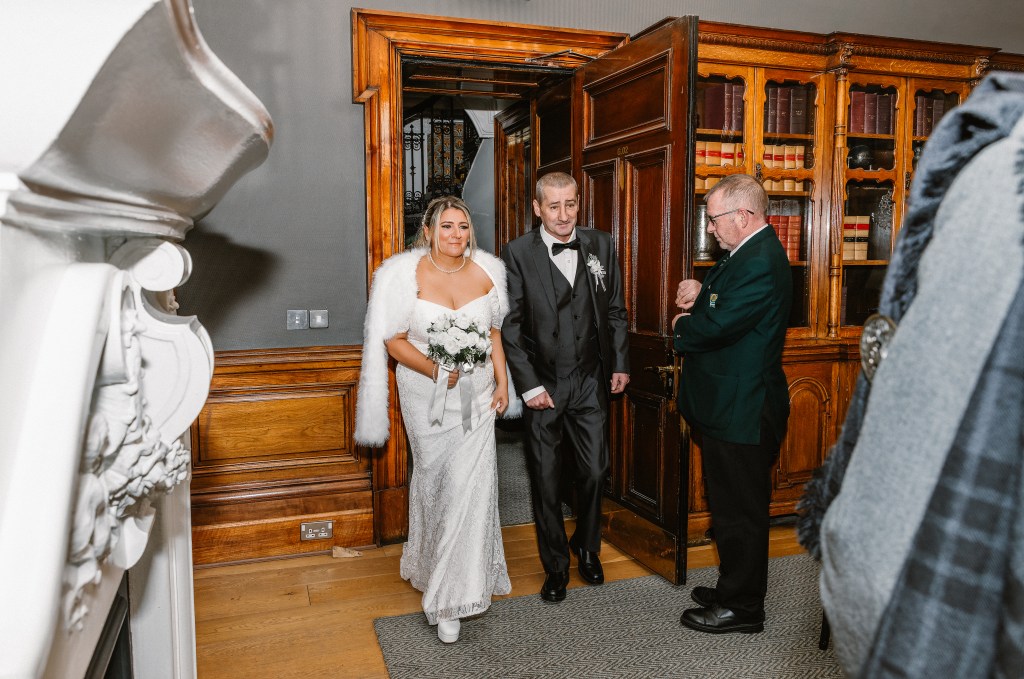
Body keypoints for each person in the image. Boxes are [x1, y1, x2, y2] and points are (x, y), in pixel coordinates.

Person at [354, 195, 518, 644]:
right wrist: (436, 370)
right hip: (425, 394)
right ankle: (431, 563)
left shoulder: (488, 271)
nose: (456, 234)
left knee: (471, 487)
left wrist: (503, 383)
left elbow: (493, 334)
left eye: (463, 226)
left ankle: (451, 598)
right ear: (427, 231)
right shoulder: (401, 275)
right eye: (446, 226)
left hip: (478, 395)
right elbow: (394, 340)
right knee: (436, 482)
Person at [501, 172, 630, 603]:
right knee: (546, 480)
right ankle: (555, 565)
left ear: (579, 203)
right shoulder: (517, 253)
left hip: (590, 379)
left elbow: (615, 310)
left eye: (570, 204)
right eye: (553, 206)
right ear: (537, 208)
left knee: (594, 471)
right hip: (544, 385)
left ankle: (587, 547)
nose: (563, 215)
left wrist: (620, 363)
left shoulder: (601, 244)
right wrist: (528, 386)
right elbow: (511, 326)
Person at [672, 173, 791, 634]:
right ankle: (732, 586)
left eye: (714, 218)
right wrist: (703, 292)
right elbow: (727, 304)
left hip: (745, 408)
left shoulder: (760, 260)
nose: (710, 227)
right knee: (728, 505)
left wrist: (682, 328)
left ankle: (742, 608)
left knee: (740, 512)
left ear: (743, 216)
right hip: (730, 405)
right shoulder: (746, 253)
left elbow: (720, 326)